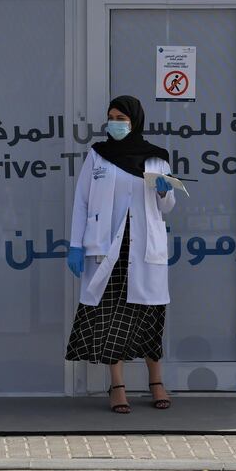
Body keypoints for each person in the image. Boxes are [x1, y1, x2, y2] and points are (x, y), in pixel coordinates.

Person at [65, 95, 176, 413]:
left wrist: (164, 193)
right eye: (111, 117)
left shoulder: (157, 158)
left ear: (135, 121)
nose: (115, 123)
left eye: (122, 118)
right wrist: (76, 244)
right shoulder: (97, 156)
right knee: (110, 315)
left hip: (143, 248)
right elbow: (82, 202)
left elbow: (165, 208)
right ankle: (117, 386)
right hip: (106, 247)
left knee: (149, 316)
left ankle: (156, 382)